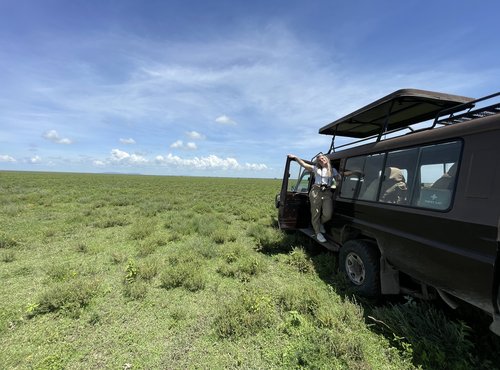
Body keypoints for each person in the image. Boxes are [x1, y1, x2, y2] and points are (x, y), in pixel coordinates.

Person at [287, 153, 340, 243]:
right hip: (316, 191)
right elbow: (304, 164)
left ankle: (320, 223)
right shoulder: (316, 169)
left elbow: (339, 177)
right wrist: (296, 157)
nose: (321, 160)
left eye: (322, 158)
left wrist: (354, 173)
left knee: (328, 214)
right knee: (315, 213)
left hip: (327, 192)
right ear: (318, 162)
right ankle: (317, 233)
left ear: (326, 159)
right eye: (319, 160)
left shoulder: (332, 170)